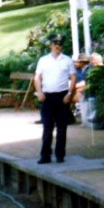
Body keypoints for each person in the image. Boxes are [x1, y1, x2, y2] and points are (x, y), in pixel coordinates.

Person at [33, 34, 77, 164]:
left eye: (60, 44)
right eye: (55, 44)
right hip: (47, 96)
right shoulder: (43, 60)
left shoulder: (67, 60)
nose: (57, 46)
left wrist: (69, 94)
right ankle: (45, 155)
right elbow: (37, 77)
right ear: (50, 45)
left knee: (62, 128)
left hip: (62, 96)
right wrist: (39, 92)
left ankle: (60, 155)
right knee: (47, 127)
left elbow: (73, 77)